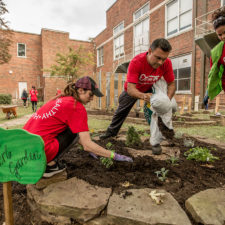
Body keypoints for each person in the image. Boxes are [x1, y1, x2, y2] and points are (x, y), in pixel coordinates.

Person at [23, 76, 133, 178]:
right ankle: (48, 166)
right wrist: (114, 155)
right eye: (90, 94)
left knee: (74, 130)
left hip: (23, 149)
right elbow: (86, 144)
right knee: (75, 132)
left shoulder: (60, 99)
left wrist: (93, 148)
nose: (91, 99)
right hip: (38, 152)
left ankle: (42, 162)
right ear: (80, 90)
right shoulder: (76, 106)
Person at [100, 38, 176, 155]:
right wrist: (143, 96)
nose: (161, 62)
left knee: (166, 108)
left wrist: (166, 101)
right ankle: (110, 134)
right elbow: (131, 89)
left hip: (151, 87)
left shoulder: (167, 63)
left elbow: (171, 84)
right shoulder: (137, 62)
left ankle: (159, 139)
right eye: (158, 58)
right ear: (150, 51)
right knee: (121, 111)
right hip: (134, 89)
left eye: (164, 59)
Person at [204, 6, 225, 105]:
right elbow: (213, 73)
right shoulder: (217, 52)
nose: (223, 36)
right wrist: (209, 90)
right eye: (219, 35)